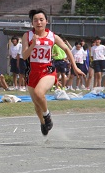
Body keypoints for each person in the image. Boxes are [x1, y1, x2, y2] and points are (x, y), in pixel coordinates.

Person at [22, 8, 84, 136]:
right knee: (37, 104)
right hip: (32, 71)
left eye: (41, 20)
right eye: (35, 20)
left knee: (39, 93)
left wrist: (75, 67)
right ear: (32, 23)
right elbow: (24, 56)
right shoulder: (27, 36)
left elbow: (67, 50)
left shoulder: (52, 36)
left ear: (46, 21)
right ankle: (43, 122)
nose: (38, 22)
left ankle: (47, 115)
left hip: (48, 70)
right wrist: (33, 44)